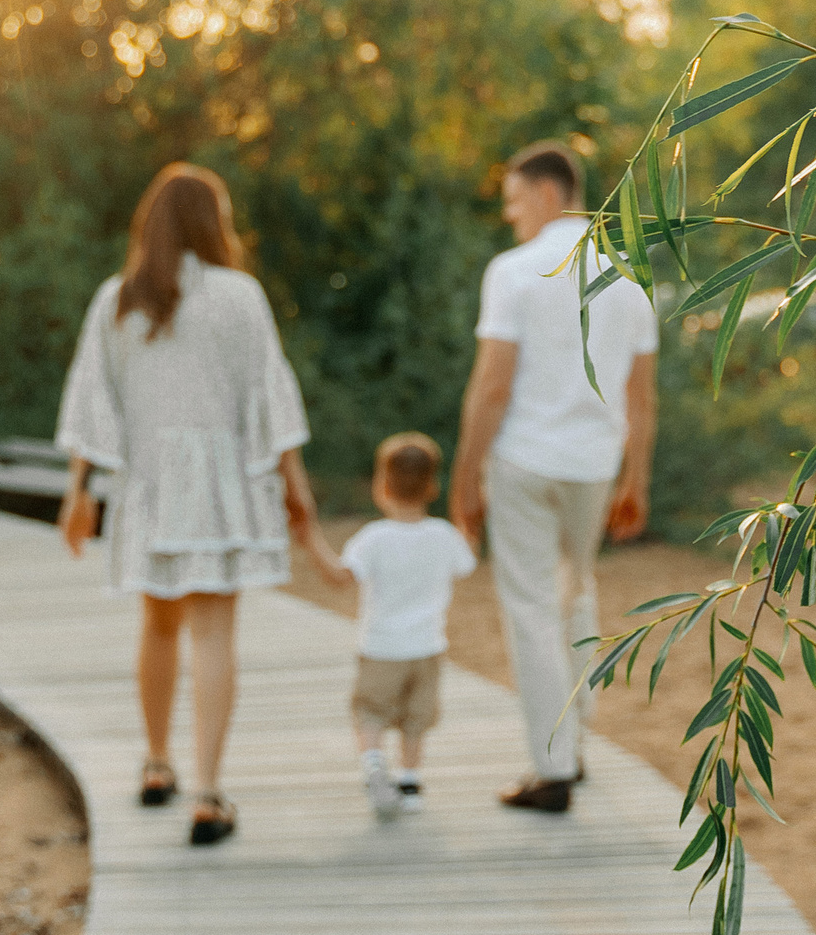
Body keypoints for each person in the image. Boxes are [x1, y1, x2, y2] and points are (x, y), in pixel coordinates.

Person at [55, 163, 320, 847]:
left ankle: (156, 761)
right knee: (213, 634)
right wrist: (295, 484)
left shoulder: (118, 298)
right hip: (220, 484)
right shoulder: (240, 296)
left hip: (147, 484)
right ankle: (207, 792)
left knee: (159, 626)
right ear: (213, 223)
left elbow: (93, 399)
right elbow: (270, 397)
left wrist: (78, 491)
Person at [450, 141, 658, 813]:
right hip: (594, 465)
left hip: (524, 461)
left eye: (514, 202)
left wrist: (464, 477)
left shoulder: (513, 271)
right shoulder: (628, 276)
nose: (512, 218)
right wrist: (637, 478)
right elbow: (642, 396)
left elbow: (491, 385)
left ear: (546, 193)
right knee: (576, 591)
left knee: (533, 609)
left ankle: (552, 765)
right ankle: (578, 736)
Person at [308, 434, 477, 816]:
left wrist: (309, 538)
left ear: (381, 486)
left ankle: (373, 764)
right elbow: (466, 564)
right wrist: (470, 521)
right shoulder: (443, 536)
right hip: (427, 648)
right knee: (416, 720)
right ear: (433, 486)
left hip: (381, 647)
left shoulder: (374, 539)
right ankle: (411, 782)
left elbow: (339, 577)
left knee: (370, 712)